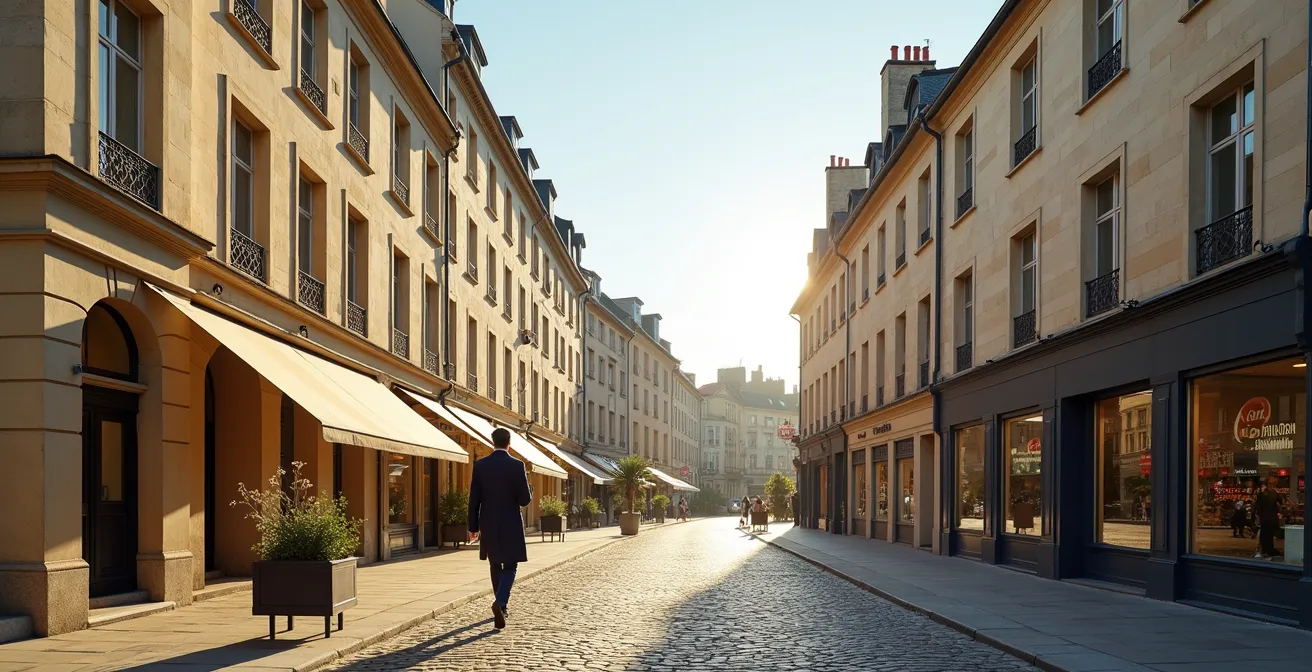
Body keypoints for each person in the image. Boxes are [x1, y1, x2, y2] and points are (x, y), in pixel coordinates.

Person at [468, 427, 532, 630]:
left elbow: (474, 500)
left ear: (492, 442)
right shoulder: (517, 465)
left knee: (495, 564)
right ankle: (500, 602)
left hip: (488, 523)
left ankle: (501, 606)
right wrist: (526, 484)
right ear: (509, 444)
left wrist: (473, 527)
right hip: (511, 523)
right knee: (511, 565)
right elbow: (524, 500)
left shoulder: (480, 466)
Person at [1255, 482, 1282, 558]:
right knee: (1269, 535)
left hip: (1265, 518)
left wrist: (1258, 517)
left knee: (1264, 535)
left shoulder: (1261, 494)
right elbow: (1281, 501)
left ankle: (1264, 550)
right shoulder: (1275, 494)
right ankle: (1269, 550)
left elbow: (1258, 507)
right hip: (1272, 518)